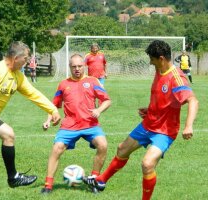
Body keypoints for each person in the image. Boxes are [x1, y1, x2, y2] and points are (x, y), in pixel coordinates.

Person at [83, 40, 199, 200]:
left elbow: (193, 101)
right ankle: (101, 181)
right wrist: (151, 109)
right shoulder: (159, 70)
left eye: (152, 59)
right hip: (149, 123)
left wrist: (188, 126)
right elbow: (164, 98)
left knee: (147, 164)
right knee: (122, 149)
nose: (150, 62)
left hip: (165, 131)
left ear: (161, 58)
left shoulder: (177, 77)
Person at [0, 41, 61, 200]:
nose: (27, 61)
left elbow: (33, 94)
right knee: (8, 134)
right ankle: (13, 177)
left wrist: (52, 109)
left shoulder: (18, 76)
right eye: (26, 58)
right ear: (16, 58)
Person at [40, 54, 111, 194]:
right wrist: (48, 120)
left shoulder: (93, 81)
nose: (77, 69)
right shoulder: (63, 84)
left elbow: (107, 100)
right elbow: (53, 106)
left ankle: (94, 179)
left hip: (91, 125)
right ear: (70, 67)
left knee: (103, 145)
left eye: (79, 66)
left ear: (84, 66)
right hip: (69, 126)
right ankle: (48, 185)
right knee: (57, 149)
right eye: (74, 67)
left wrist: (99, 110)